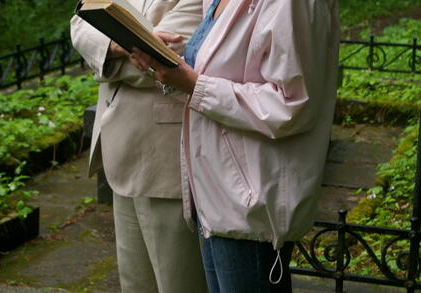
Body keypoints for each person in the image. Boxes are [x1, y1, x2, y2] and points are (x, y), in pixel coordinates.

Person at [130, 0, 340, 292]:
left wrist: (193, 84)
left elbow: (292, 105)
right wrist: (167, 66)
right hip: (213, 194)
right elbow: (229, 71)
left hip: (252, 206)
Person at [70, 1, 208, 292]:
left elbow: (172, 61)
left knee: (179, 281)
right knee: (135, 283)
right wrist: (124, 46)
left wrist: (106, 54)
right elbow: (80, 26)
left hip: (167, 157)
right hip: (119, 145)